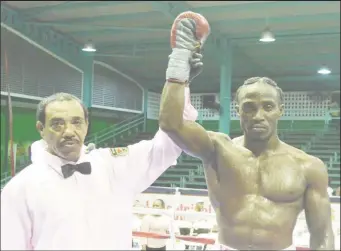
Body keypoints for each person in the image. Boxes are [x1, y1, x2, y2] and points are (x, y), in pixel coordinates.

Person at [158, 12, 335, 250]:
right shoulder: (217, 149)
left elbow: (322, 234)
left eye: (268, 107)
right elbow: (171, 123)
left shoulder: (308, 166)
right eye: (249, 108)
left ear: (280, 111)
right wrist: (179, 65)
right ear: (238, 111)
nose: (258, 115)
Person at [1, 92, 197, 250]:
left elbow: (167, 145)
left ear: (86, 125)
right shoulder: (20, 189)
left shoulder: (114, 166)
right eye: (57, 123)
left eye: (76, 122)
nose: (68, 131)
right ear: (41, 128)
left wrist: (180, 74)